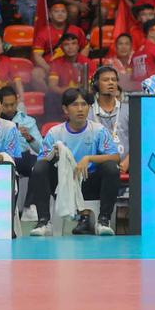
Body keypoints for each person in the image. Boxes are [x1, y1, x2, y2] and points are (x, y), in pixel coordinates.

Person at [28, 88, 122, 236]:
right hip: (62, 184)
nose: (80, 109)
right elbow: (42, 159)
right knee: (39, 167)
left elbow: (116, 157)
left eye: (84, 104)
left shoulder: (98, 131)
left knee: (111, 167)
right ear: (65, 109)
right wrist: (55, 156)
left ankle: (103, 220)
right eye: (75, 105)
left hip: (89, 183)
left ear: (89, 107)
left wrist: (89, 158)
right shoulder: (55, 133)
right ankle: (44, 222)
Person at [88, 66, 129, 172]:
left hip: (128, 166)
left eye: (114, 80)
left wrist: (128, 161)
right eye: (106, 80)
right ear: (96, 84)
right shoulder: (88, 113)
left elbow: (139, 140)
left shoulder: (128, 110)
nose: (111, 83)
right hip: (99, 169)